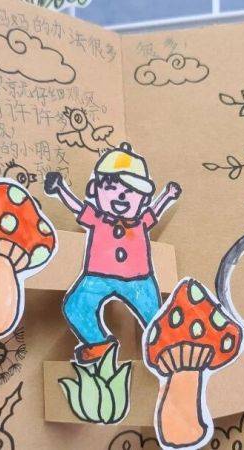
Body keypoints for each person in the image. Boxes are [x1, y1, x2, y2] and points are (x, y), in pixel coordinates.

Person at [44, 142, 182, 364]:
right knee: (76, 306)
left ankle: (166, 347)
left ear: (143, 200)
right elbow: (77, 208)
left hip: (139, 279)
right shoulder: (97, 219)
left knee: (153, 315)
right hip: (97, 277)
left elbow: (155, 212)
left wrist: (167, 195)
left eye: (131, 192)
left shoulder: (140, 223)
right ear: (94, 190)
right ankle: (98, 343)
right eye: (111, 188)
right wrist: (60, 189)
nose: (121, 196)